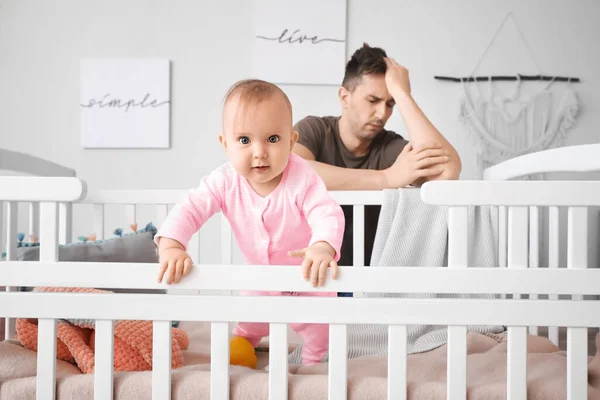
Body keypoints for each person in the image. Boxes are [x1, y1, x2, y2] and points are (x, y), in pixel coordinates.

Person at [154, 79, 345, 367]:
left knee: (320, 328)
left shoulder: (303, 178)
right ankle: (245, 345)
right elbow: (190, 208)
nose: (259, 152)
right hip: (259, 278)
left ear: (292, 142)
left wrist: (321, 247)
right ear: (226, 144)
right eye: (244, 140)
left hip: (308, 276)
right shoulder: (224, 181)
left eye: (272, 139)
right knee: (249, 320)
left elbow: (327, 212)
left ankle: (313, 364)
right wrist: (172, 245)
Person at [293, 43, 462, 292]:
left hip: (366, 282)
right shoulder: (314, 130)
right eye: (373, 100)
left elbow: (447, 172)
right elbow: (295, 173)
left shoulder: (389, 146)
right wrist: (387, 178)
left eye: (390, 103)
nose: (382, 113)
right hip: (310, 274)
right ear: (344, 97)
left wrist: (403, 94)